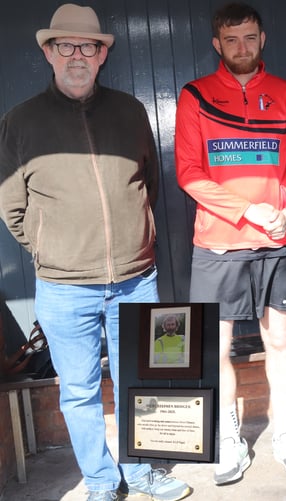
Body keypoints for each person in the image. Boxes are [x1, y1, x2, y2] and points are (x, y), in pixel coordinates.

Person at [0, 4, 192, 501]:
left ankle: (145, 472)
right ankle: (103, 483)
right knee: (79, 392)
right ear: (48, 52)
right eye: (66, 45)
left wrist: (137, 238)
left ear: (103, 54)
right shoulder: (20, 122)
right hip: (64, 289)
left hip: (135, 278)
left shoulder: (130, 110)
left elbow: (146, 184)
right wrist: (53, 248)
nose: (78, 55)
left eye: (89, 46)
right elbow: (12, 208)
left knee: (139, 382)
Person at [175, 2, 286, 484]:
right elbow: (189, 172)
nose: (242, 48)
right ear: (217, 44)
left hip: (276, 242)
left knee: (278, 340)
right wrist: (247, 210)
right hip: (218, 243)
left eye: (250, 38)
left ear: (263, 39)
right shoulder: (195, 96)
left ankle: (283, 433)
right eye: (232, 40)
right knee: (216, 348)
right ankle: (229, 440)